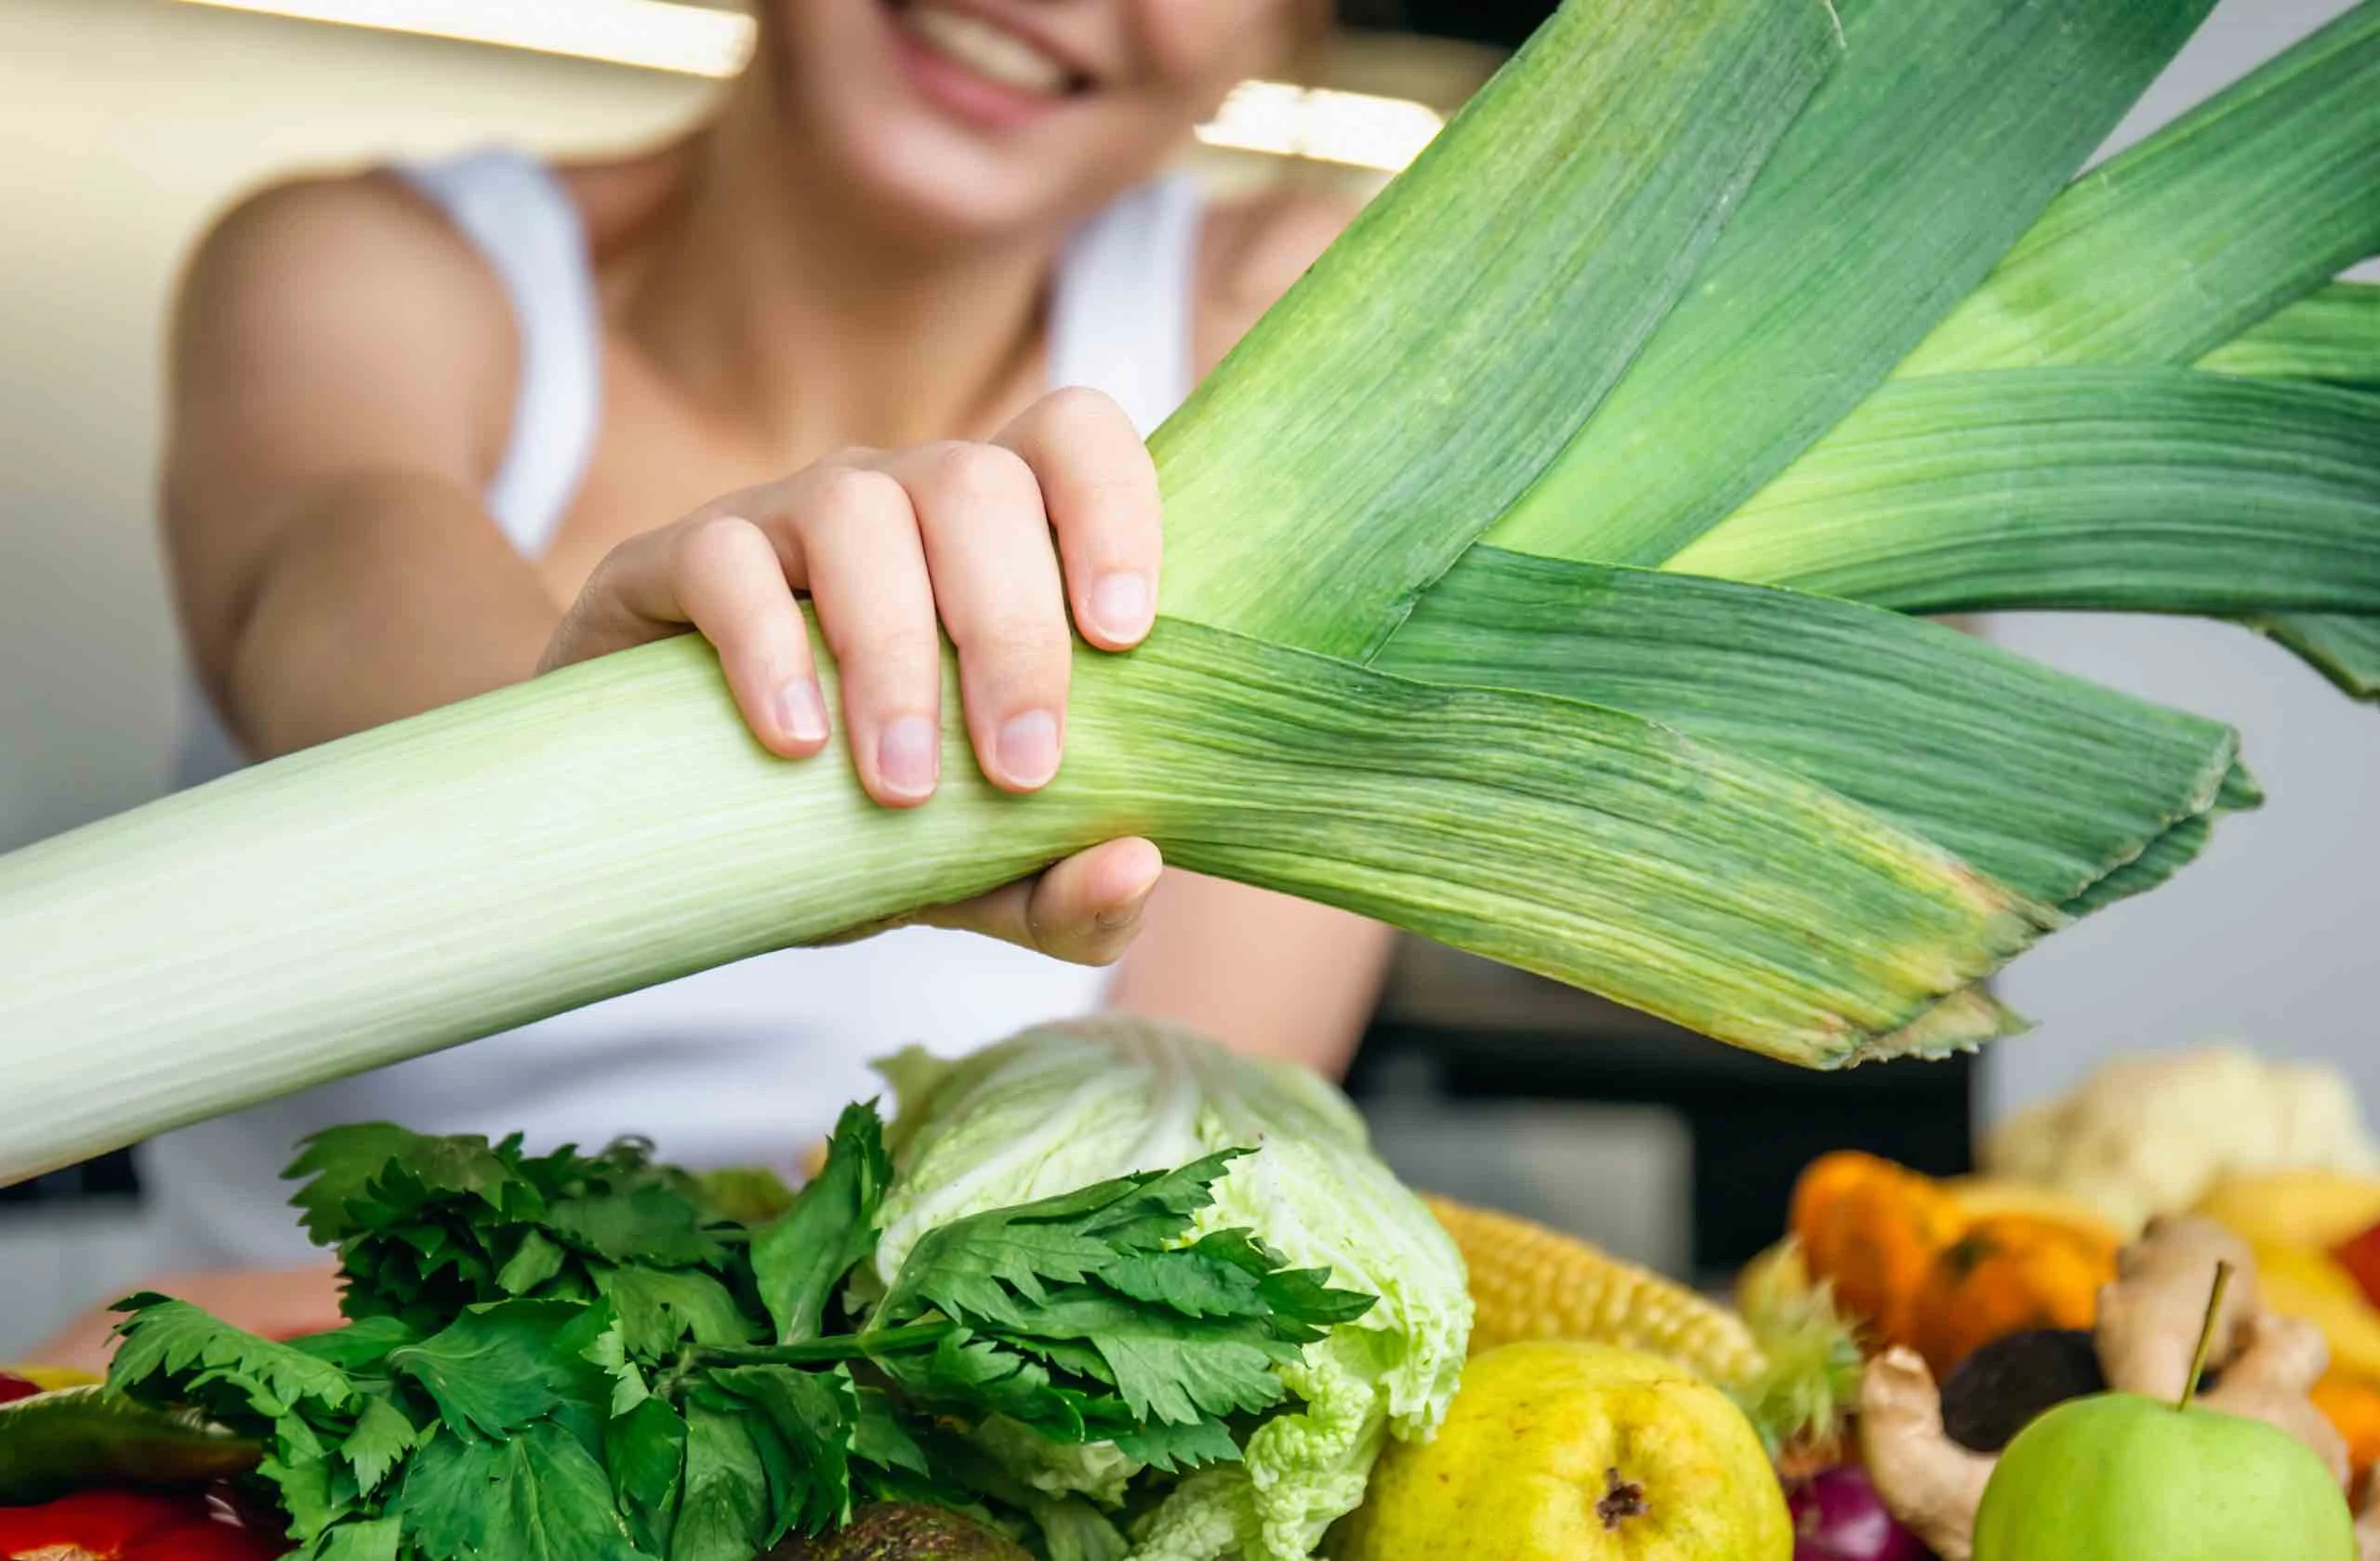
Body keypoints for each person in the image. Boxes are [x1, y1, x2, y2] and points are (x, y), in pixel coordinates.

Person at [32, 0, 1396, 1367]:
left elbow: (1168, 1184)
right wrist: (599, 766)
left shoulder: (1299, 353)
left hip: (889, 1456)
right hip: (262, 1419)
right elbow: (324, 605)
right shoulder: (372, 273)